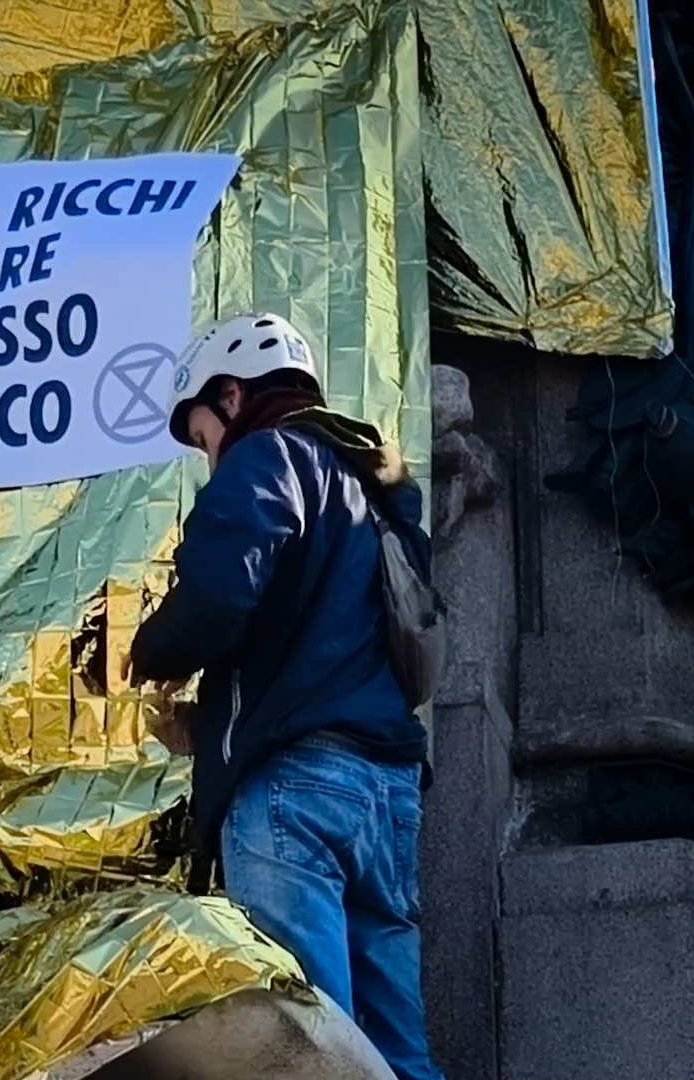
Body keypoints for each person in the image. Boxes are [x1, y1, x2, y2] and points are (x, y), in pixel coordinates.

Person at [126, 312, 444, 1080]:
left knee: (309, 1042)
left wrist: (150, 651)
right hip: (386, 794)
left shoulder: (267, 455)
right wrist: (212, 726)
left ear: (232, 396)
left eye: (203, 439)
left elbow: (221, 593)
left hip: (295, 795)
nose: (210, 458)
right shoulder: (370, 491)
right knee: (398, 1053)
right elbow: (333, 645)